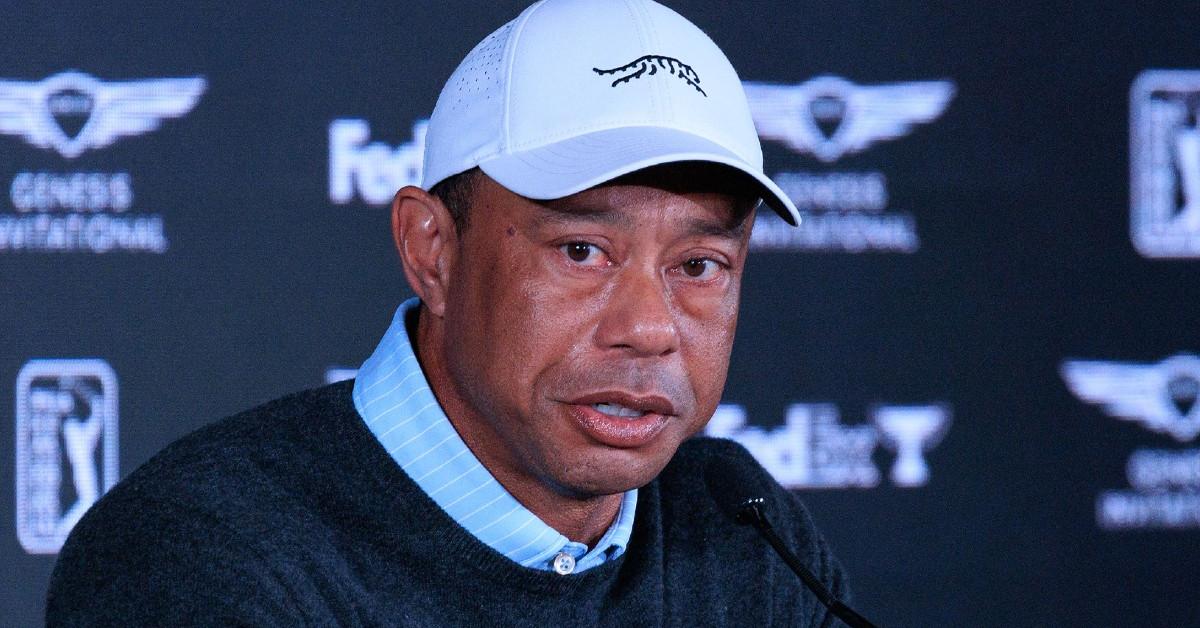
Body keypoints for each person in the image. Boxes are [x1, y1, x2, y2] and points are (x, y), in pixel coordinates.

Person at [47, 0, 849, 625]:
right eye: (582, 251)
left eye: (698, 266)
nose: (649, 328)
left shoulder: (742, 529)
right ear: (432, 250)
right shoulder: (201, 555)